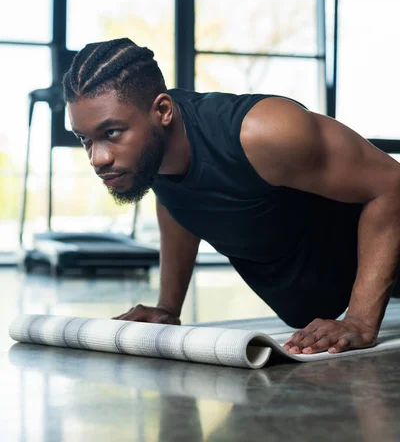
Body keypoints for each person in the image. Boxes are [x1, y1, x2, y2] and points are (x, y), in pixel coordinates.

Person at [63, 38, 400, 355]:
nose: (97, 158)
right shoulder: (151, 155)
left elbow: (391, 183)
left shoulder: (264, 133)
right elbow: (180, 200)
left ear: (162, 110)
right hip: (330, 291)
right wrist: (168, 307)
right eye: (85, 139)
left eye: (111, 133)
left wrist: (359, 319)